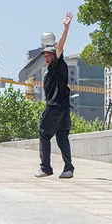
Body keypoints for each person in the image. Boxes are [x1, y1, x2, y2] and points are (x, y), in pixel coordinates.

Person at [35, 12, 74, 179]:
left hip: (55, 107)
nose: (46, 58)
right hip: (65, 110)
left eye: (48, 55)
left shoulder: (58, 65)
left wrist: (66, 28)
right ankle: (68, 169)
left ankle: (46, 167)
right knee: (62, 137)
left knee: (44, 133)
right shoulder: (50, 70)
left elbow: (60, 46)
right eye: (44, 56)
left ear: (55, 55)